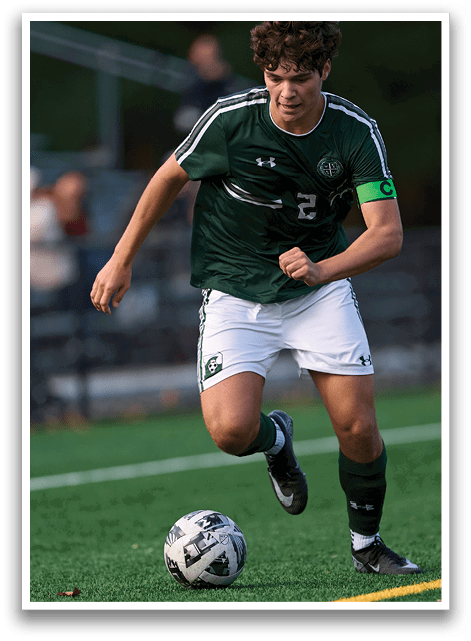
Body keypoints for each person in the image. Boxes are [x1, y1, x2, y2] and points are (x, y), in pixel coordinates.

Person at [91, 21, 422, 575]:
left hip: (317, 292)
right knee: (230, 432)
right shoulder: (230, 119)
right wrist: (121, 258)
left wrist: (322, 270)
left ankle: (367, 545)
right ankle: (277, 441)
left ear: (324, 70)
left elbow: (386, 233)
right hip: (234, 291)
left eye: (300, 79)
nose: (286, 91)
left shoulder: (354, 132)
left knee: (358, 429)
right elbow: (168, 177)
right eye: (275, 77)